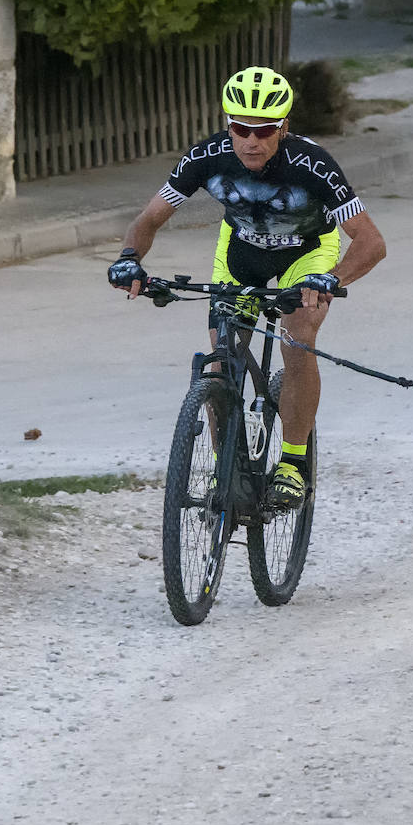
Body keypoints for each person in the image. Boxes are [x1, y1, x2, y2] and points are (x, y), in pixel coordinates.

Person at [108, 65, 386, 509]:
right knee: (219, 359)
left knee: (299, 338)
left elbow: (372, 242)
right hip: (241, 252)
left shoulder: (311, 163)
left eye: (264, 130)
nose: (251, 140)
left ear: (284, 128)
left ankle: (293, 464)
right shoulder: (206, 157)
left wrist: (330, 279)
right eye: (241, 128)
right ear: (228, 125)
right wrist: (129, 260)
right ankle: (227, 469)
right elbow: (149, 219)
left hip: (306, 252)